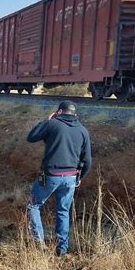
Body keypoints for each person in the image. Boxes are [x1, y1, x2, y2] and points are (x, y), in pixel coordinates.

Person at [27, 100, 92, 256]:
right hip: (71, 178)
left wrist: (47, 120)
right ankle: (62, 249)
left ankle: (39, 243)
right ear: (74, 114)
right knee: (63, 211)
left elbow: (32, 137)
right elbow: (88, 160)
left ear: (59, 112)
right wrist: (79, 176)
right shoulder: (83, 130)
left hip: (51, 175)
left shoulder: (53, 124)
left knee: (33, 205)